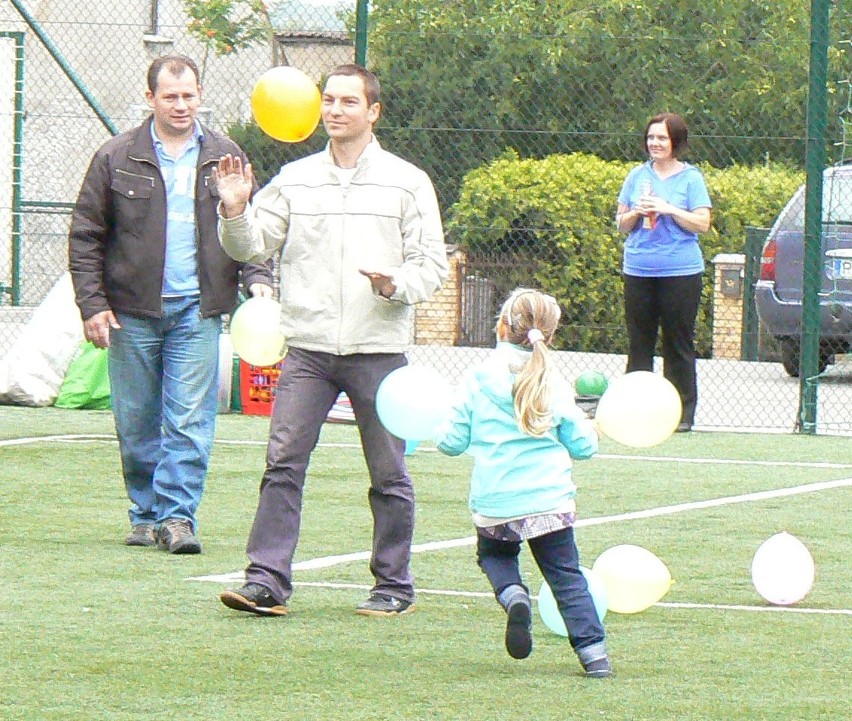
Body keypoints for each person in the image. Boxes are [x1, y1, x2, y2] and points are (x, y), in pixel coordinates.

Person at [214, 64, 448, 617]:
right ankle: (266, 581)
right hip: (309, 350)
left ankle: (393, 585)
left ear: (373, 112)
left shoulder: (407, 181)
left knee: (389, 473)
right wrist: (233, 207)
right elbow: (250, 245)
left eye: (348, 102)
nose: (335, 110)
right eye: (329, 101)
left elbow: (431, 265)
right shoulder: (295, 179)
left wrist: (397, 285)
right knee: (282, 463)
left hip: (379, 351)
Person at [68, 54, 273, 554]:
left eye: (189, 96)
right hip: (130, 311)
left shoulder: (226, 155)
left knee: (189, 419)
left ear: (200, 95)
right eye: (170, 96)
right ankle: (145, 513)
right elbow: (86, 236)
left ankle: (178, 518)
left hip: (199, 310)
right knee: (136, 419)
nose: (181, 105)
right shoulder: (115, 156)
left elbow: (249, 225)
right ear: (150, 98)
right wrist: (92, 303)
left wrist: (260, 278)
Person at [432, 288, 612, 677]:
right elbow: (583, 448)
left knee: (495, 555)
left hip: (496, 499)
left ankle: (513, 593)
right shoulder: (553, 381)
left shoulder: (477, 378)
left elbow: (451, 442)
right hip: (549, 500)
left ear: (501, 326)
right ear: (550, 335)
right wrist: (592, 430)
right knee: (566, 575)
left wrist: (436, 424)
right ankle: (594, 655)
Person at [615, 112, 712, 432]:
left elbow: (703, 223)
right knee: (639, 343)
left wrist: (667, 208)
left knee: (677, 342)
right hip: (639, 270)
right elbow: (621, 224)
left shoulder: (691, 178)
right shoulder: (636, 177)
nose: (655, 143)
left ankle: (682, 414)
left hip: (680, 271)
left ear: (676, 143)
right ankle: (634, 413)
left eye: (662, 138)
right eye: (651, 137)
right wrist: (636, 212)